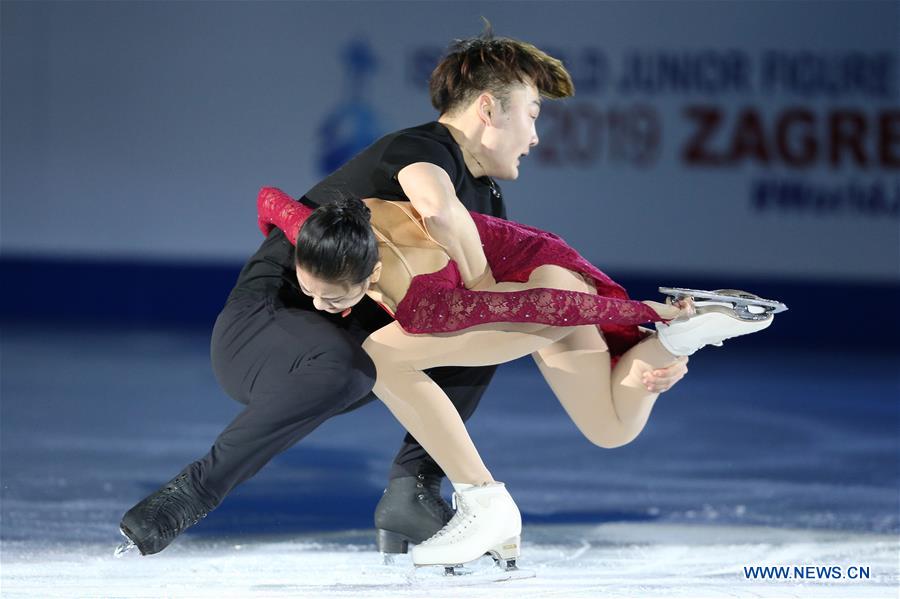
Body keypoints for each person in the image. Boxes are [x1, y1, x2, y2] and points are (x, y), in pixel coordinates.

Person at [117, 27, 690, 558]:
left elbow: (528, 303)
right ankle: (192, 492)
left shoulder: (488, 201)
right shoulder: (422, 147)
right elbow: (437, 205)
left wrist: (633, 357)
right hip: (267, 330)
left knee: (491, 328)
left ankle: (414, 494)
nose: (536, 137)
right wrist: (483, 283)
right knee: (376, 353)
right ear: (488, 108)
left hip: (357, 346)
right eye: (533, 115)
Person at [254, 180, 779, 569]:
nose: (322, 307)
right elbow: (269, 200)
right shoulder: (322, 235)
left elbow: (548, 304)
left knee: (380, 357)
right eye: (310, 292)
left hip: (541, 289)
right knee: (612, 427)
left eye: (336, 297)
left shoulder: (423, 301)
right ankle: (679, 341)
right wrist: (665, 337)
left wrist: (648, 311)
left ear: (370, 274)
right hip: (533, 279)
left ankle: (484, 502)